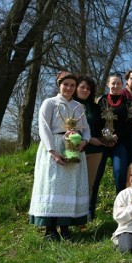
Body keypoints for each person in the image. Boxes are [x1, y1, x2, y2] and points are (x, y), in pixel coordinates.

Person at [29, 72, 91, 241]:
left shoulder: (79, 106)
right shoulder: (50, 103)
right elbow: (44, 128)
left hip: (74, 146)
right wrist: (53, 152)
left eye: (72, 85)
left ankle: (65, 227)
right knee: (52, 185)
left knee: (71, 186)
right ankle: (50, 229)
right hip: (55, 144)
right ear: (59, 85)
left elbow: (86, 128)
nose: (69, 88)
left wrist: (84, 142)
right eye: (66, 84)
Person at [91, 74, 132, 218]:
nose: (115, 86)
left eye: (118, 84)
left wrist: (117, 136)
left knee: (119, 173)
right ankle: (89, 211)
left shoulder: (127, 103)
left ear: (122, 86)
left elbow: (130, 123)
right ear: (108, 85)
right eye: (113, 83)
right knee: (96, 176)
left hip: (119, 143)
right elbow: (95, 121)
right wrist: (100, 138)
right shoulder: (100, 101)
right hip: (101, 144)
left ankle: (121, 210)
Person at [73, 75, 105, 217]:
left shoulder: (95, 107)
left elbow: (102, 126)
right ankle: (69, 215)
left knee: (90, 185)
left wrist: (107, 137)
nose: (85, 90)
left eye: (88, 88)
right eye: (82, 87)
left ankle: (86, 215)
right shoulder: (70, 104)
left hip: (95, 150)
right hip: (75, 149)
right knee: (73, 184)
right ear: (76, 88)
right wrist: (89, 139)